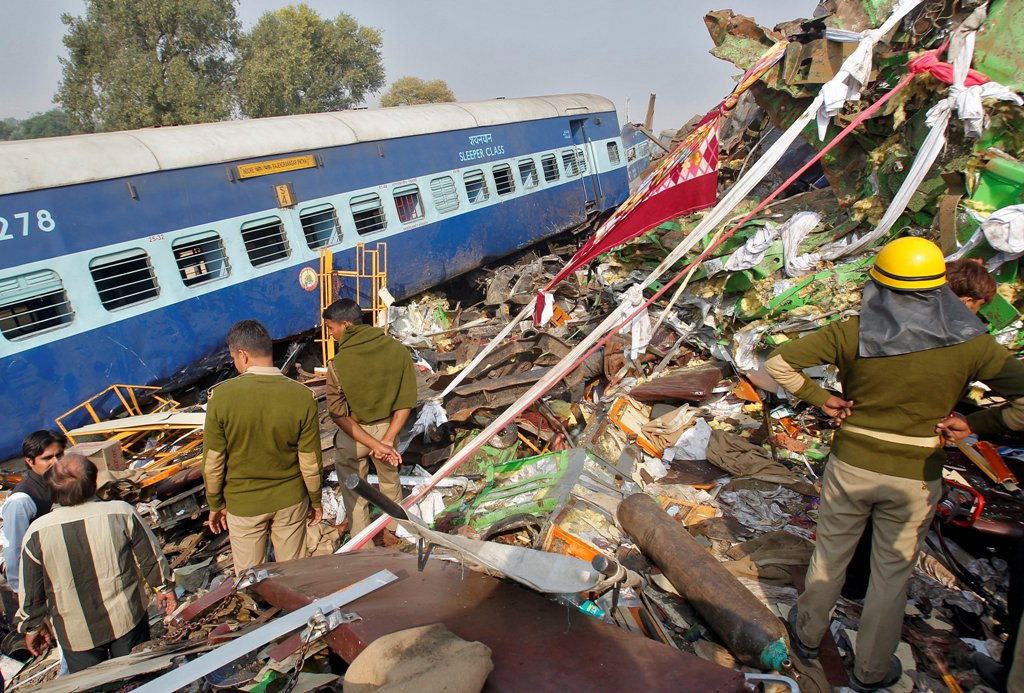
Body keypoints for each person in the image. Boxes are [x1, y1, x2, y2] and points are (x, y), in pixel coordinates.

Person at [763, 237, 1024, 691]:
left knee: (831, 555)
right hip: (917, 472)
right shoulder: (973, 343)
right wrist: (976, 422)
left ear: (878, 284)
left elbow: (779, 362)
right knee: (892, 572)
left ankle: (805, 635)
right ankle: (871, 670)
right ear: (939, 287)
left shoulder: (852, 330)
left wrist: (821, 399)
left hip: (853, 461)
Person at [841, 256, 999, 600]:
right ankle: (864, 597)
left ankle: (841, 590)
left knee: (849, 528)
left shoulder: (891, 320)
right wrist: (975, 421)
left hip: (860, 446)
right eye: (977, 305)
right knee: (887, 539)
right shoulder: (966, 341)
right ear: (967, 301)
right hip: (910, 454)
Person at [15, 455, 176, 673]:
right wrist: (163, 588)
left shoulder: (36, 532)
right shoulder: (120, 512)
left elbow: (31, 588)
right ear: (93, 484)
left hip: (75, 633)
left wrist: (32, 626)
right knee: (138, 677)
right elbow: (151, 557)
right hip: (126, 617)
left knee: (94, 685)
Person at [202, 320, 323, 573]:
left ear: (243, 355)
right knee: (295, 575)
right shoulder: (302, 396)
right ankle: (299, 611)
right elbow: (310, 461)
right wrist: (315, 499)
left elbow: (213, 463)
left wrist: (215, 504)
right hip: (290, 499)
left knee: (250, 579)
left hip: (244, 505)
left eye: (234, 356)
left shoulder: (221, 398)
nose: (234, 362)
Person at [322, 299, 416, 539]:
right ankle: (393, 533)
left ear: (346, 324)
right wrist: (386, 440)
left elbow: (338, 414)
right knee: (390, 483)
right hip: (388, 430)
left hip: (354, 436)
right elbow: (405, 402)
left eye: (332, 328)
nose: (331, 335)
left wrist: (373, 445)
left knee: (355, 493)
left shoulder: (338, 364)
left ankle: (363, 544)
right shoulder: (398, 350)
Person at [1, 431, 65, 594]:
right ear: (30, 461)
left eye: (59, 455)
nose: (56, 462)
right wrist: (20, 591)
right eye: (47, 458)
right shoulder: (21, 501)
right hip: (37, 574)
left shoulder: (58, 481)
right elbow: (15, 549)